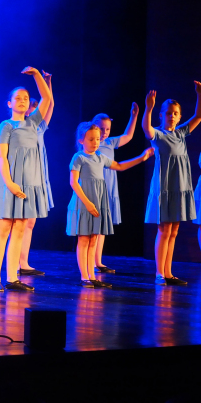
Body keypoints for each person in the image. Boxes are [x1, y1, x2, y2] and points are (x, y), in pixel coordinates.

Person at [0, 67, 51, 293]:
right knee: (3, 229)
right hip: (7, 180)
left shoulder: (33, 123)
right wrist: (10, 184)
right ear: (9, 103)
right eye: (18, 98)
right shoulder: (7, 126)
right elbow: (1, 157)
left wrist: (37, 76)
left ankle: (12, 277)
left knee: (20, 229)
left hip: (27, 183)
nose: (22, 101)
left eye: (25, 98)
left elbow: (47, 98)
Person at [67, 121, 153, 288]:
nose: (95, 142)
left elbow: (119, 166)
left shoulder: (100, 157)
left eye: (97, 139)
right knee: (84, 240)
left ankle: (92, 276)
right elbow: (74, 182)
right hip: (84, 202)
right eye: (91, 139)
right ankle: (84, 277)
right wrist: (88, 203)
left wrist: (142, 158)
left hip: (98, 201)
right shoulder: (79, 157)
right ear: (81, 140)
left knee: (93, 239)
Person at [144, 84, 201, 286]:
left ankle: (168, 272)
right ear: (161, 115)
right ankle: (160, 273)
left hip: (180, 187)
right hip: (165, 187)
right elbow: (147, 129)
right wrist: (148, 108)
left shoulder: (181, 133)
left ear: (179, 116)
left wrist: (199, 95)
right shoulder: (159, 134)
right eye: (168, 113)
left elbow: (198, 116)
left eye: (175, 113)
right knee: (164, 230)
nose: (172, 116)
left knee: (174, 230)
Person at [91, 102, 139, 272]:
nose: (104, 132)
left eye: (107, 129)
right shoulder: (91, 143)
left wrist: (134, 116)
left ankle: (98, 261)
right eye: (101, 128)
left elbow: (128, 136)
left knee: (103, 226)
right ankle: (90, 262)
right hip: (95, 186)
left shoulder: (110, 142)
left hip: (109, 185)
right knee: (94, 226)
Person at [19, 70, 54, 276]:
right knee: (20, 222)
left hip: (38, 175)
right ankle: (16, 263)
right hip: (25, 176)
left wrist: (48, 82)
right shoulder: (21, 127)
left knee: (30, 222)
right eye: (32, 110)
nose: (35, 113)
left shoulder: (40, 128)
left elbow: (50, 103)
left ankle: (23, 262)